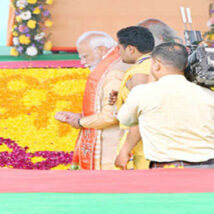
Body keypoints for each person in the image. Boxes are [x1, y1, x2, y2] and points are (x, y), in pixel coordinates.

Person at [115, 42, 214, 169]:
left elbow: (125, 120)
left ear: (156, 65)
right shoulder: (208, 94)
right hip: (209, 168)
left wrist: (151, 80)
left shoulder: (143, 93)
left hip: (168, 169)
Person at [54, 31, 130, 170]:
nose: (82, 62)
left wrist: (80, 122)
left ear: (101, 50)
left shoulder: (114, 72)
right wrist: (80, 117)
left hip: (111, 155)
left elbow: (110, 115)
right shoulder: (113, 65)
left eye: (85, 56)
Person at [113, 26, 155, 169]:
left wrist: (125, 151)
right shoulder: (156, 65)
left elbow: (141, 114)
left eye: (120, 48)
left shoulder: (141, 72)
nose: (118, 53)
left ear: (131, 49)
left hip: (141, 147)